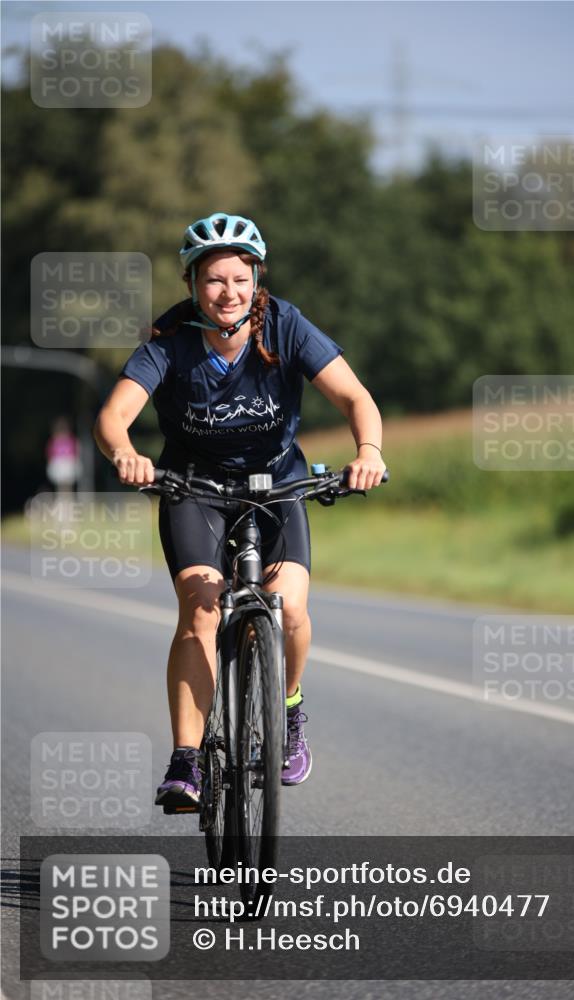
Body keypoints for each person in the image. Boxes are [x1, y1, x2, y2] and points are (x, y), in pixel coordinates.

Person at [93, 212, 385, 808]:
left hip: (276, 482)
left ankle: (289, 707)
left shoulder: (285, 326)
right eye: (214, 280)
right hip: (194, 487)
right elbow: (112, 417)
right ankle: (186, 761)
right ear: (192, 284)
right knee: (201, 611)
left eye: (241, 278)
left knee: (293, 607)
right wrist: (126, 453)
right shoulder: (170, 342)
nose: (229, 293)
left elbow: (355, 397)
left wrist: (369, 451)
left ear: (257, 280)